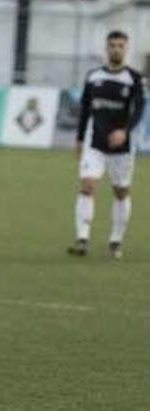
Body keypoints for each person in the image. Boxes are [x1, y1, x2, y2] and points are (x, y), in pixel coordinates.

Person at [68, 30, 144, 259]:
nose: (116, 49)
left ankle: (115, 239)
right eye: (112, 45)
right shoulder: (93, 76)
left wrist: (125, 131)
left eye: (121, 45)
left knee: (121, 191)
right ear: (106, 48)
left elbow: (139, 110)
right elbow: (85, 111)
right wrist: (80, 138)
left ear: (126, 48)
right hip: (95, 143)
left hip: (122, 147)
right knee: (87, 185)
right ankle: (82, 238)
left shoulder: (133, 78)